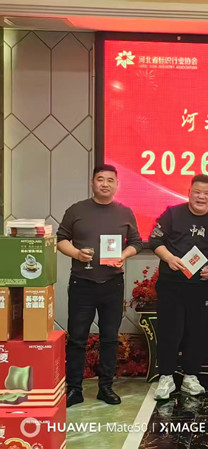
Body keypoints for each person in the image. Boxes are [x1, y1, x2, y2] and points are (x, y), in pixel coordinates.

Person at [57, 164, 142, 407]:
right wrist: (76, 253)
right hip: (82, 283)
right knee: (77, 338)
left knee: (109, 338)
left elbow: (136, 242)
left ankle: (106, 387)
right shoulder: (76, 210)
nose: (105, 184)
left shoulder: (125, 212)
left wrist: (124, 255)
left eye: (110, 180)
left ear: (117, 184)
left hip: (112, 284)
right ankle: (74, 389)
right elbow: (61, 239)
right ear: (92, 182)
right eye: (100, 179)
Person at [149, 174, 208, 400]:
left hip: (200, 286)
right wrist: (169, 258)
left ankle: (191, 376)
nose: (201, 197)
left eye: (206, 193)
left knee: (196, 332)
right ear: (189, 192)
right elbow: (155, 241)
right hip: (171, 285)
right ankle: (166, 377)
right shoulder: (173, 214)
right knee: (170, 331)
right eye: (197, 192)